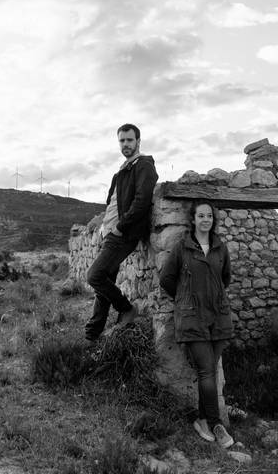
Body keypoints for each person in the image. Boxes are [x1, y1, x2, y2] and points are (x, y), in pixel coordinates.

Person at [158, 199, 235, 448]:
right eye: (201, 216)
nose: (205, 220)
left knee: (209, 371)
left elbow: (225, 279)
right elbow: (167, 279)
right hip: (192, 318)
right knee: (206, 371)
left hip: (218, 317)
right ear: (193, 219)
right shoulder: (183, 248)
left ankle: (203, 420)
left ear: (213, 220)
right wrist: (185, 299)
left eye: (209, 216)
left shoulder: (220, 248)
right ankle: (216, 424)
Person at [84, 123, 158, 342]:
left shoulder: (143, 165)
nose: (126, 144)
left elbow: (142, 200)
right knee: (102, 286)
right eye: (122, 140)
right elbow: (111, 204)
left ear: (138, 142)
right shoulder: (121, 171)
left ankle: (126, 308)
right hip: (111, 233)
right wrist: (104, 226)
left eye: (130, 140)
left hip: (123, 234)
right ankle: (92, 335)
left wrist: (120, 227)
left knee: (94, 276)